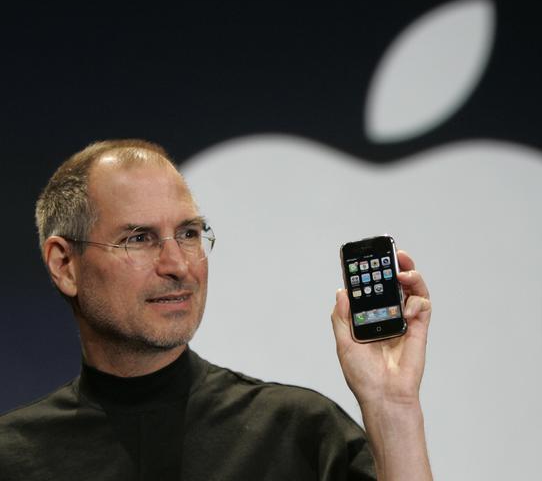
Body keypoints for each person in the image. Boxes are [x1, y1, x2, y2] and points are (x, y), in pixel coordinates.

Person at [0, 140, 433, 480]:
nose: (179, 265)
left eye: (188, 233)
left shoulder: (297, 432)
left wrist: (391, 404)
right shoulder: (13, 456)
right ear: (64, 265)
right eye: (138, 239)